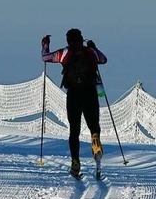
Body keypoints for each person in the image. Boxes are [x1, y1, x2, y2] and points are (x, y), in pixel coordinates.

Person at [41, 28, 107, 177]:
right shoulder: (90, 52)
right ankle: (95, 142)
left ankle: (75, 162)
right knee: (94, 127)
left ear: (68, 40)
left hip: (73, 95)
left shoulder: (64, 53)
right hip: (90, 93)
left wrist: (45, 44)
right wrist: (93, 47)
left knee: (74, 131)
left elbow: (45, 57)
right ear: (81, 38)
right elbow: (103, 60)